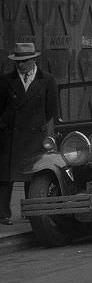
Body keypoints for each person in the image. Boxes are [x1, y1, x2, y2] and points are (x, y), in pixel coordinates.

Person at [0, 43, 59, 224]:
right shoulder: (5, 80)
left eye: (24, 61)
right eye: (17, 61)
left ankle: (30, 211)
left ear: (33, 60)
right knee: (5, 176)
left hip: (35, 135)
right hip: (10, 135)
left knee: (32, 174)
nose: (20, 65)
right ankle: (3, 214)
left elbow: (50, 110)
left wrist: (41, 128)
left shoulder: (47, 80)